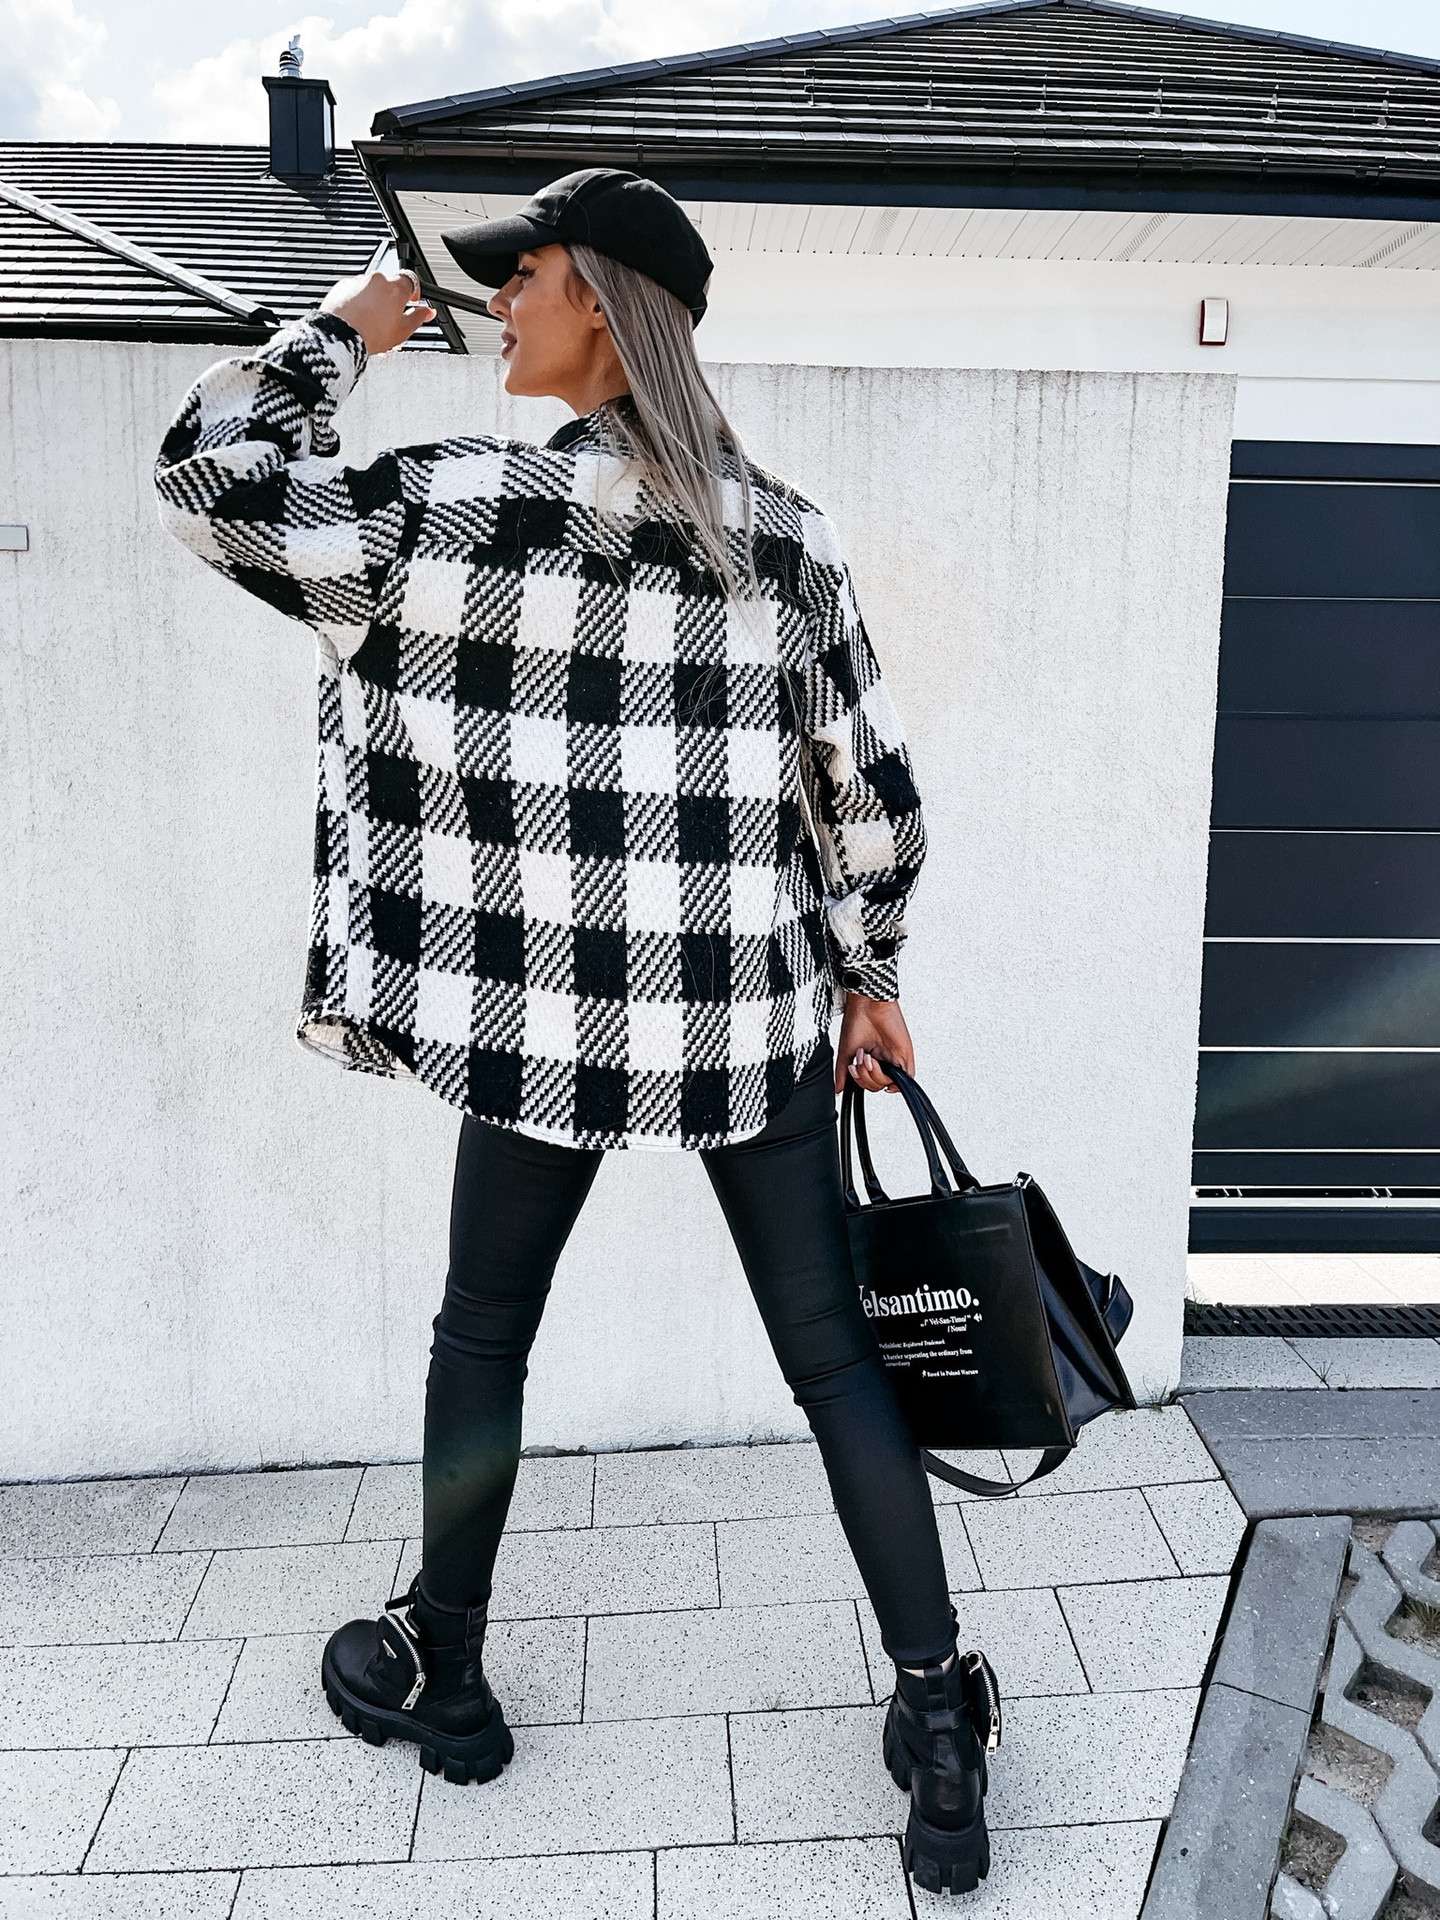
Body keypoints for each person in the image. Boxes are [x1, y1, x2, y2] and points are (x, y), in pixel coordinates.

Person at [155, 167, 993, 1897]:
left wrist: (340, 338)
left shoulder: (460, 509)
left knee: (485, 1337)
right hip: (743, 1027)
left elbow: (210, 479)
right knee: (839, 1367)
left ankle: (447, 1673)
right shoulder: (789, 536)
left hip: (541, 1029)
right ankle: (937, 1717)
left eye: (520, 276)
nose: (492, 304)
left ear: (601, 306)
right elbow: (871, 795)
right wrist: (873, 978)